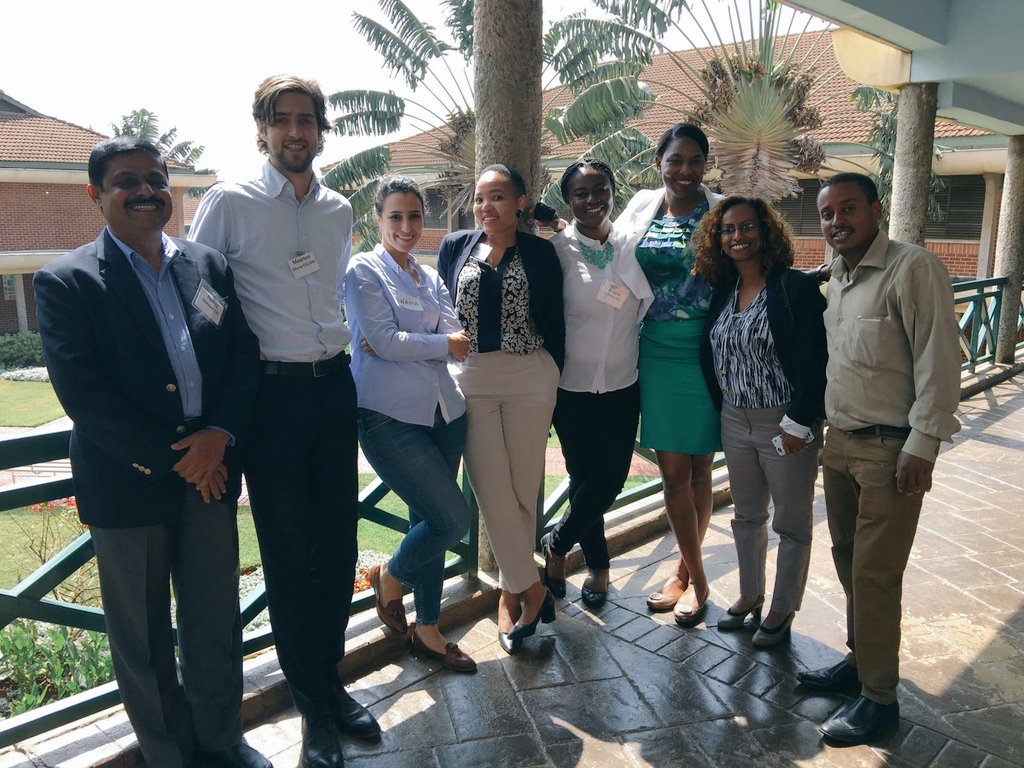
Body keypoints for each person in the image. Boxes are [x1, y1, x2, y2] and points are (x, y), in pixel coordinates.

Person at [33, 138, 267, 768]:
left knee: (214, 621)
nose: (145, 191)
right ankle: (168, 755)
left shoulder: (208, 265)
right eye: (125, 181)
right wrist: (180, 459)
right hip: (130, 481)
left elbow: (243, 358)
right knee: (141, 637)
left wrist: (218, 436)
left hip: (212, 472)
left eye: (156, 179)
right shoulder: (66, 280)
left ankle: (222, 743)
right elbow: (84, 394)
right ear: (95, 195)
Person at [189, 75, 380, 768]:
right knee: (289, 555)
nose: (295, 132)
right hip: (268, 403)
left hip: (332, 390)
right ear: (262, 129)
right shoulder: (229, 203)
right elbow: (196, 298)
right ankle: (313, 714)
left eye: (307, 120)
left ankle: (329, 682)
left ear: (322, 131)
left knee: (336, 548)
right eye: (282, 120)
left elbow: (328, 293)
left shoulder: (338, 209)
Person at [797, 173, 961, 745]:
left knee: (876, 574)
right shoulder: (838, 277)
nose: (836, 221)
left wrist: (924, 442)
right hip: (840, 443)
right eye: (826, 213)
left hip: (892, 448)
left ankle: (880, 699)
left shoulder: (912, 269)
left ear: (876, 209)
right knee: (847, 562)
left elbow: (939, 357)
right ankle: (859, 663)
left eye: (848, 209)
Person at [345, 176, 476, 673]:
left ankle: (428, 629)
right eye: (395, 216)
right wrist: (436, 345)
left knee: (426, 522)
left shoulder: (429, 277)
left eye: (414, 216)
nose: (406, 226)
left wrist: (412, 343)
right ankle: (391, 579)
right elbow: (386, 338)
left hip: (446, 412)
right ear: (377, 220)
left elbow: (443, 334)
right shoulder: (363, 271)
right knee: (450, 521)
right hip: (388, 417)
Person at [436, 164, 565, 654]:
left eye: (498, 198)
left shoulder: (540, 252)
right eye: (480, 198)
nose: (486, 207)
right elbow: (445, 310)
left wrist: (553, 371)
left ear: (520, 204)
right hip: (471, 379)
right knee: (492, 491)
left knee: (521, 492)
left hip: (530, 375)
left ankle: (510, 599)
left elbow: (555, 319)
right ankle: (533, 590)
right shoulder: (456, 247)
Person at [694, 196, 827, 647]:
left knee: (790, 523)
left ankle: (782, 607)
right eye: (728, 230)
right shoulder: (723, 291)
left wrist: (800, 421)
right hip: (735, 417)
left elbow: (814, 361)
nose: (737, 237)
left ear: (766, 232)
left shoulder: (794, 288)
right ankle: (751, 593)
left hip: (783, 421)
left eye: (747, 227)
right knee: (747, 515)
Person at [615, 123, 723, 627]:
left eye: (694, 160)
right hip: (655, 351)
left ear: (705, 164)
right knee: (674, 473)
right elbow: (610, 250)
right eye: (675, 160)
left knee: (702, 470)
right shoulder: (642, 205)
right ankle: (699, 581)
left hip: (707, 351)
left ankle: (685, 574)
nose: (685, 170)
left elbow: (752, 261)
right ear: (659, 163)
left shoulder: (721, 210)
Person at [541, 158, 652, 609]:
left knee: (609, 479)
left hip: (623, 384)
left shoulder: (633, 244)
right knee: (582, 478)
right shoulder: (556, 252)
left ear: (613, 192)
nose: (592, 200)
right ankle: (600, 571)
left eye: (600, 189)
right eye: (581, 193)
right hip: (570, 388)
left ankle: (557, 544)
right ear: (568, 201)